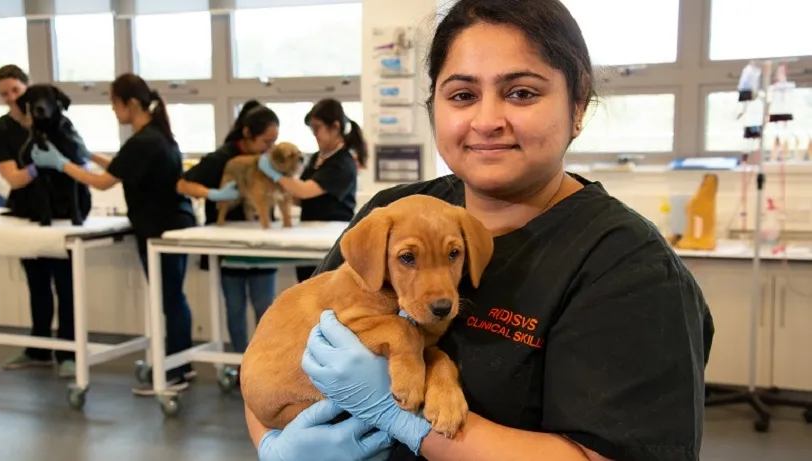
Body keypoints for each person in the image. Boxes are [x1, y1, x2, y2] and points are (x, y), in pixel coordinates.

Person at [244, 1, 715, 460]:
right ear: (435, 107)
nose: (488, 121)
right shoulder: (391, 213)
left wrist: (406, 421)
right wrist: (272, 444)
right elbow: (277, 359)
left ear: (578, 103)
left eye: (522, 92)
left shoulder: (630, 269)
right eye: (463, 95)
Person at [30, 73, 197, 396]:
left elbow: (104, 182)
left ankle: (174, 371)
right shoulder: (154, 136)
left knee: (170, 298)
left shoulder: (144, 140)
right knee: (173, 297)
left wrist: (61, 163)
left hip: (161, 227)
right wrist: (86, 154)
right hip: (172, 222)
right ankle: (180, 363)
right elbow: (119, 169)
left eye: (114, 103)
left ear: (130, 103)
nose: (112, 110)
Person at [0, 64, 90, 379]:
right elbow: (13, 178)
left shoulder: (61, 123)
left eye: (15, 91)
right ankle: (39, 348)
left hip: (67, 216)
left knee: (66, 284)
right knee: (37, 283)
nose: (11, 98)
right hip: (30, 214)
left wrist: (63, 164)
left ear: (28, 89)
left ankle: (68, 352)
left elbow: (80, 160)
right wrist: (36, 168)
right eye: (4, 94)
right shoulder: (1, 131)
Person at [177, 100, 281, 356]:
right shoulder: (221, 158)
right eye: (266, 142)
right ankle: (238, 362)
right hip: (229, 246)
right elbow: (182, 184)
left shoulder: (269, 160)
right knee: (234, 307)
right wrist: (213, 194)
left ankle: (264, 364)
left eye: (273, 142)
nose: (270, 148)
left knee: (265, 306)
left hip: (261, 247)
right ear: (247, 133)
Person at [255, 98, 365, 283]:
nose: (314, 134)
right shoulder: (317, 157)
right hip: (309, 234)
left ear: (335, 127)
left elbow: (305, 190)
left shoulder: (343, 162)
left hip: (330, 239)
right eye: (311, 129)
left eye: (317, 128)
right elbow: (298, 194)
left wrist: (275, 175)